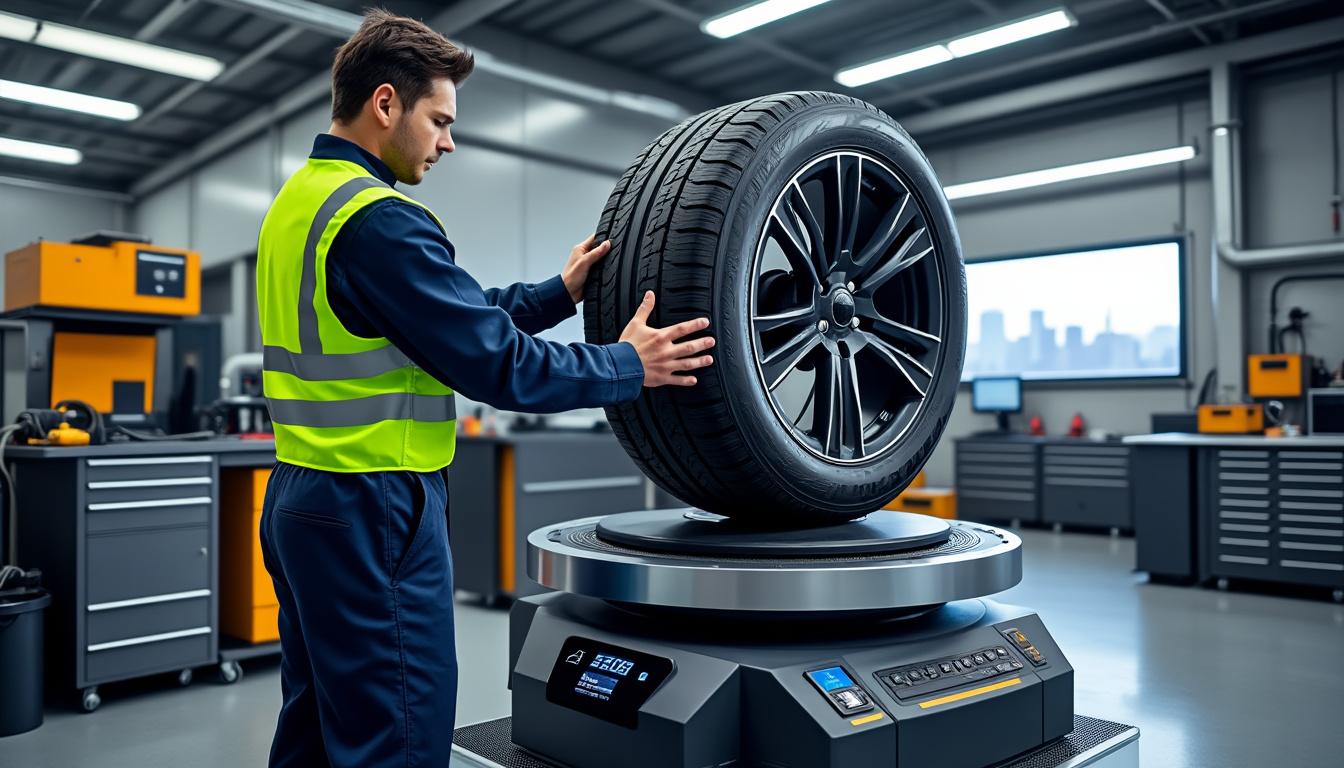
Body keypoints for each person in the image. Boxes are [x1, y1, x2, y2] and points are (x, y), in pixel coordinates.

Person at [254, 9, 715, 767]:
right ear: (385, 104)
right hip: (376, 508)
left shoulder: (304, 201)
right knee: (397, 736)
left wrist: (557, 295)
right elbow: (497, 363)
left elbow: (441, 321)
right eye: (439, 120)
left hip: (305, 499)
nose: (448, 142)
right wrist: (627, 364)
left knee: (316, 725)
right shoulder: (381, 222)